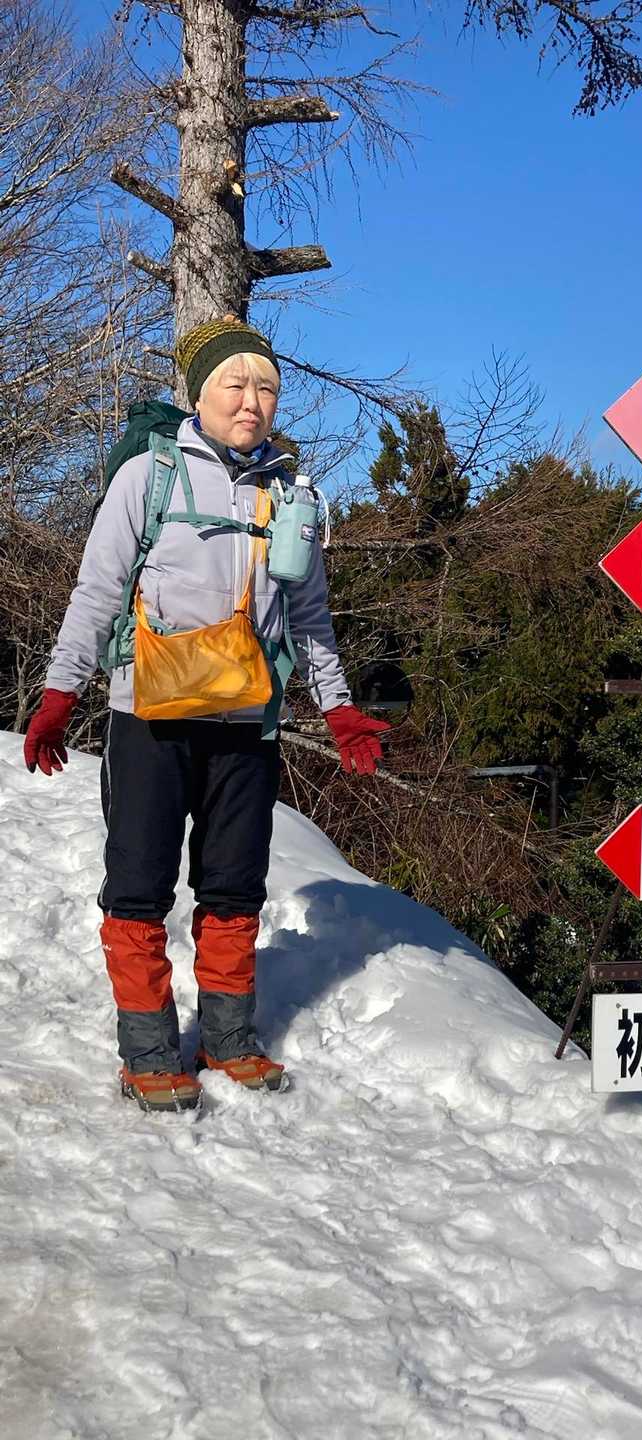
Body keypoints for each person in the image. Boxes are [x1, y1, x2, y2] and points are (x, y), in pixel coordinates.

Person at [22, 316, 389, 1112]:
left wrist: (339, 708)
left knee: (234, 885)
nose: (252, 401)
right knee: (139, 884)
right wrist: (59, 694)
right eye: (236, 383)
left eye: (267, 387)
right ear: (200, 394)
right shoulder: (149, 476)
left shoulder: (289, 496)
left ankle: (227, 1039)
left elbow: (311, 618)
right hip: (150, 714)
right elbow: (96, 590)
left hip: (246, 722)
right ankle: (148, 1052)